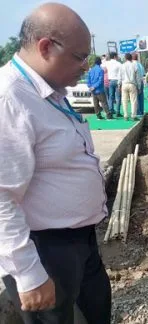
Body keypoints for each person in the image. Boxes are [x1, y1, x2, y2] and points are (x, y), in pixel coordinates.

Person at [0, 3, 111, 324]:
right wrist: (29, 274)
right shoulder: (10, 100)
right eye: (79, 57)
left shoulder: (53, 91)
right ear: (46, 47)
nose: (86, 65)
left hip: (80, 241)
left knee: (96, 312)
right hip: (44, 250)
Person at [119, 53, 140, 121]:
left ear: (125, 58)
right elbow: (138, 77)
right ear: (131, 58)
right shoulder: (134, 65)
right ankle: (133, 116)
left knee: (124, 100)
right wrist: (139, 86)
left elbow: (120, 76)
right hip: (132, 84)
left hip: (124, 84)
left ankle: (125, 116)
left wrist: (119, 85)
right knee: (133, 101)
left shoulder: (122, 66)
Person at [106, 51, 122, 117]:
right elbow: (121, 73)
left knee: (111, 97)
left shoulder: (107, 63)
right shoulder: (119, 64)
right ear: (115, 56)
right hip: (117, 81)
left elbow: (102, 64)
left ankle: (111, 110)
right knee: (118, 97)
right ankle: (118, 112)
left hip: (110, 81)